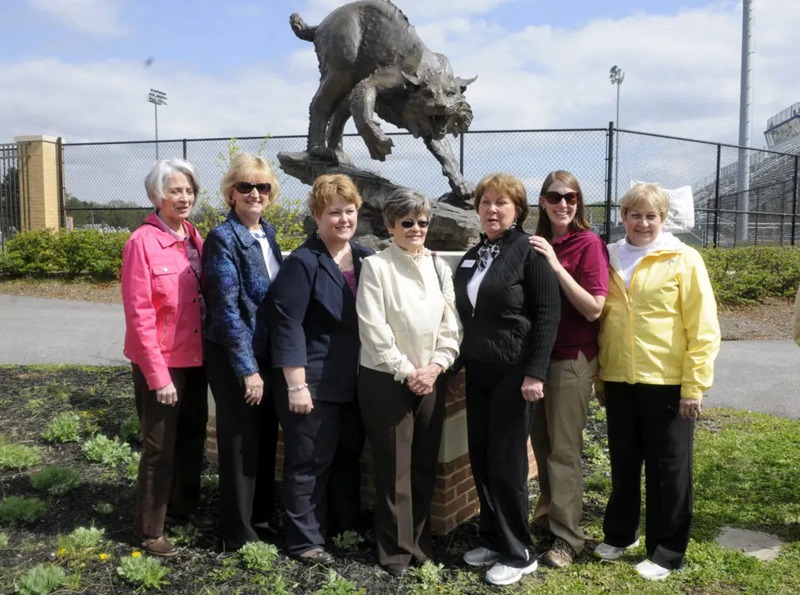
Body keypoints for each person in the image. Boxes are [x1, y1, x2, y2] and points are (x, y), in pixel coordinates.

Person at [593, 183, 720, 580]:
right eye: (635, 214)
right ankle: (621, 533)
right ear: (622, 217)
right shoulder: (609, 256)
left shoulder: (683, 258)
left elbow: (702, 326)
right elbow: (601, 321)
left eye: (651, 216)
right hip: (619, 377)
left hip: (667, 382)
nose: (643, 223)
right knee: (624, 462)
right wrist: (600, 375)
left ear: (663, 219)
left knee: (669, 470)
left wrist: (693, 385)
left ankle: (667, 549)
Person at [453, 173, 560, 586]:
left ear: (517, 210)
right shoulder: (475, 254)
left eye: (501, 203)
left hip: (515, 373)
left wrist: (535, 373)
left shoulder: (529, 252)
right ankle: (494, 537)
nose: (492, 210)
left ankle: (520, 551)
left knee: (507, 460)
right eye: (485, 203)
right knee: (480, 455)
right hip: (479, 370)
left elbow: (548, 317)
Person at [267, 174, 374, 565]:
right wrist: (296, 384)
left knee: (347, 457)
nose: (343, 219)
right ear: (317, 215)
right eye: (334, 212)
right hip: (311, 380)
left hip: (353, 380)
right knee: (309, 461)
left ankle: (343, 525)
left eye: (349, 211)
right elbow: (287, 324)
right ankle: (303, 539)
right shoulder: (302, 262)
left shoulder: (365, 258)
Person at [357, 188, 461, 577]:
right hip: (387, 380)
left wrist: (436, 366)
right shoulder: (376, 267)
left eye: (422, 221)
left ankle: (420, 543)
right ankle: (394, 551)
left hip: (430, 379)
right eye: (407, 222)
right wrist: (407, 371)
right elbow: (373, 328)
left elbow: (451, 323)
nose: (416, 228)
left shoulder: (438, 267)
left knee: (422, 466)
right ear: (390, 225)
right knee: (393, 468)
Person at [121, 158, 210, 557]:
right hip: (161, 361)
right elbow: (139, 315)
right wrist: (158, 377)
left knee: (192, 439)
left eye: (189, 190)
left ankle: (181, 512)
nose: (184, 197)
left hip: (196, 356)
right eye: (175, 190)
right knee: (159, 448)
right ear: (156, 196)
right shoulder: (141, 242)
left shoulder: (194, 237)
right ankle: (148, 530)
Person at [527, 170, 609, 568]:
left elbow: (595, 307)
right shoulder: (538, 243)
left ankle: (568, 537)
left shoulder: (587, 244)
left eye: (571, 198)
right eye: (555, 197)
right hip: (538, 361)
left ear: (579, 203)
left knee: (563, 450)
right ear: (542, 201)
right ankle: (548, 514)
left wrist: (558, 268)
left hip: (571, 358)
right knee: (542, 446)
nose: (563, 204)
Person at [203, 153, 283, 551]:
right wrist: (247, 369)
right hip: (236, 357)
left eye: (262, 187)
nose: (255, 193)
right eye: (245, 187)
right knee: (239, 443)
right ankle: (237, 532)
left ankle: (261, 518)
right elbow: (225, 310)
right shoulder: (223, 238)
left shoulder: (266, 234)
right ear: (230, 193)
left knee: (265, 436)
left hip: (266, 353)